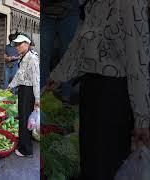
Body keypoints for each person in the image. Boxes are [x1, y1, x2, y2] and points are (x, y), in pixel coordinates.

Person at [46, 0, 150, 179]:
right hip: (92, 90)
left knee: (105, 163)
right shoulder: (94, 4)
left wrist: (142, 118)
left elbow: (138, 61)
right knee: (92, 160)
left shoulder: (129, 3)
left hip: (114, 96)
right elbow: (79, 46)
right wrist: (58, 75)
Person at [41, 0, 80, 105]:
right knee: (44, 56)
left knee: (68, 55)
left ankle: (66, 97)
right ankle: (41, 94)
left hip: (71, 10)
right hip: (46, 10)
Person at [8, 34, 40, 157]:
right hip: (23, 90)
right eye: (16, 44)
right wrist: (11, 86)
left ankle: (26, 150)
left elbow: (36, 79)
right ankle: (24, 145)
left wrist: (37, 99)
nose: (17, 47)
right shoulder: (23, 57)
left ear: (27, 43)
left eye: (19, 44)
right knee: (23, 118)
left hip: (28, 92)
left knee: (25, 119)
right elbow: (19, 75)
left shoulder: (32, 58)